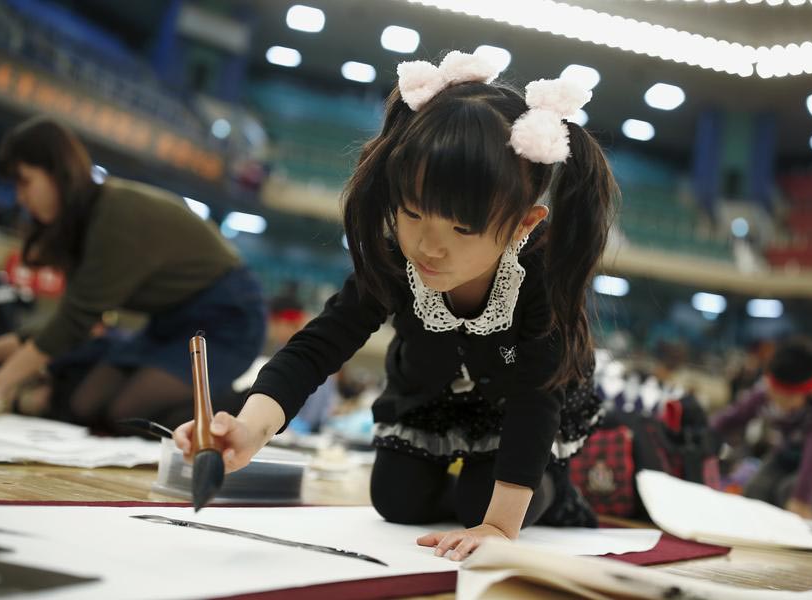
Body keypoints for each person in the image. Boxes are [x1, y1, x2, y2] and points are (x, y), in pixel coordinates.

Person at [174, 50, 615, 560]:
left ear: (523, 223)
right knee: (395, 501)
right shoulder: (394, 257)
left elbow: (536, 398)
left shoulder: (538, 276)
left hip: (519, 413)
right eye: (412, 212)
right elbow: (319, 345)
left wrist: (497, 526)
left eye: (461, 228)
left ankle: (551, 490)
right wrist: (247, 430)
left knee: (484, 502)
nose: (429, 246)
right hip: (428, 402)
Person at [0, 117, 265, 431]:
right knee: (85, 405)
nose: (20, 197)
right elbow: (72, 319)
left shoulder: (112, 216)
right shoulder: (86, 221)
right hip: (168, 322)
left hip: (227, 319)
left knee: (127, 414)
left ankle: (243, 412)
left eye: (24, 181)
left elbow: (73, 324)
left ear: (56, 172)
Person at [711, 336, 812, 519]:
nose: (779, 401)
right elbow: (734, 416)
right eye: (775, 394)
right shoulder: (767, 389)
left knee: (790, 494)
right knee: (755, 492)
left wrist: (802, 498)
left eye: (787, 398)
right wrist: (704, 432)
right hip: (787, 456)